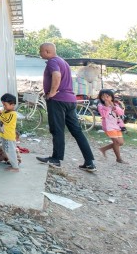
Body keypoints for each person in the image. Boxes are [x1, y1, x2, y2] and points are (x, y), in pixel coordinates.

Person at [36, 43, 97, 171]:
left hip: (58, 100)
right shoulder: (63, 62)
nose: (40, 53)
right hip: (70, 100)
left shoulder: (52, 61)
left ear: (47, 51)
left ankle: (56, 159)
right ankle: (89, 162)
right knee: (77, 131)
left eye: (41, 51)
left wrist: (52, 92)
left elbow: (57, 76)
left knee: (57, 129)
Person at [97, 89, 127, 164]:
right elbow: (104, 115)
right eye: (103, 97)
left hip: (117, 125)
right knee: (116, 142)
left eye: (107, 96)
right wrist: (107, 106)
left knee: (121, 142)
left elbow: (121, 113)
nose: (106, 98)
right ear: (101, 98)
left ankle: (103, 149)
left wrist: (113, 105)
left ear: (111, 97)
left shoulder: (116, 105)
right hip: (108, 126)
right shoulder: (100, 106)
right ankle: (119, 159)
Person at [0, 93, 19, 172]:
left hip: (9, 136)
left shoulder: (13, 114)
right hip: (4, 135)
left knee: (10, 151)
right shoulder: (5, 111)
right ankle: (11, 162)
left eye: (5, 105)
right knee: (6, 150)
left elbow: (6, 121)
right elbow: (0, 117)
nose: (4, 106)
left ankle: (15, 167)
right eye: (3, 105)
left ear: (12, 104)